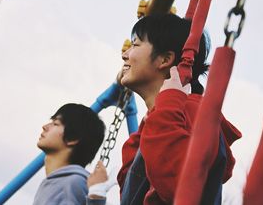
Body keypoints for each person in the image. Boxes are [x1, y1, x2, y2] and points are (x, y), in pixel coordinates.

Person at [88, 14, 242, 204]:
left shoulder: (191, 111)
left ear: (165, 59)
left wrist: (168, 103)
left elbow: (178, 185)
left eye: (135, 45)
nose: (124, 54)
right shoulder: (158, 121)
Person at [33, 103, 106, 205]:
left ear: (73, 137)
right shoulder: (54, 183)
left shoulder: (74, 182)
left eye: (56, 123)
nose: (45, 127)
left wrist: (96, 197)